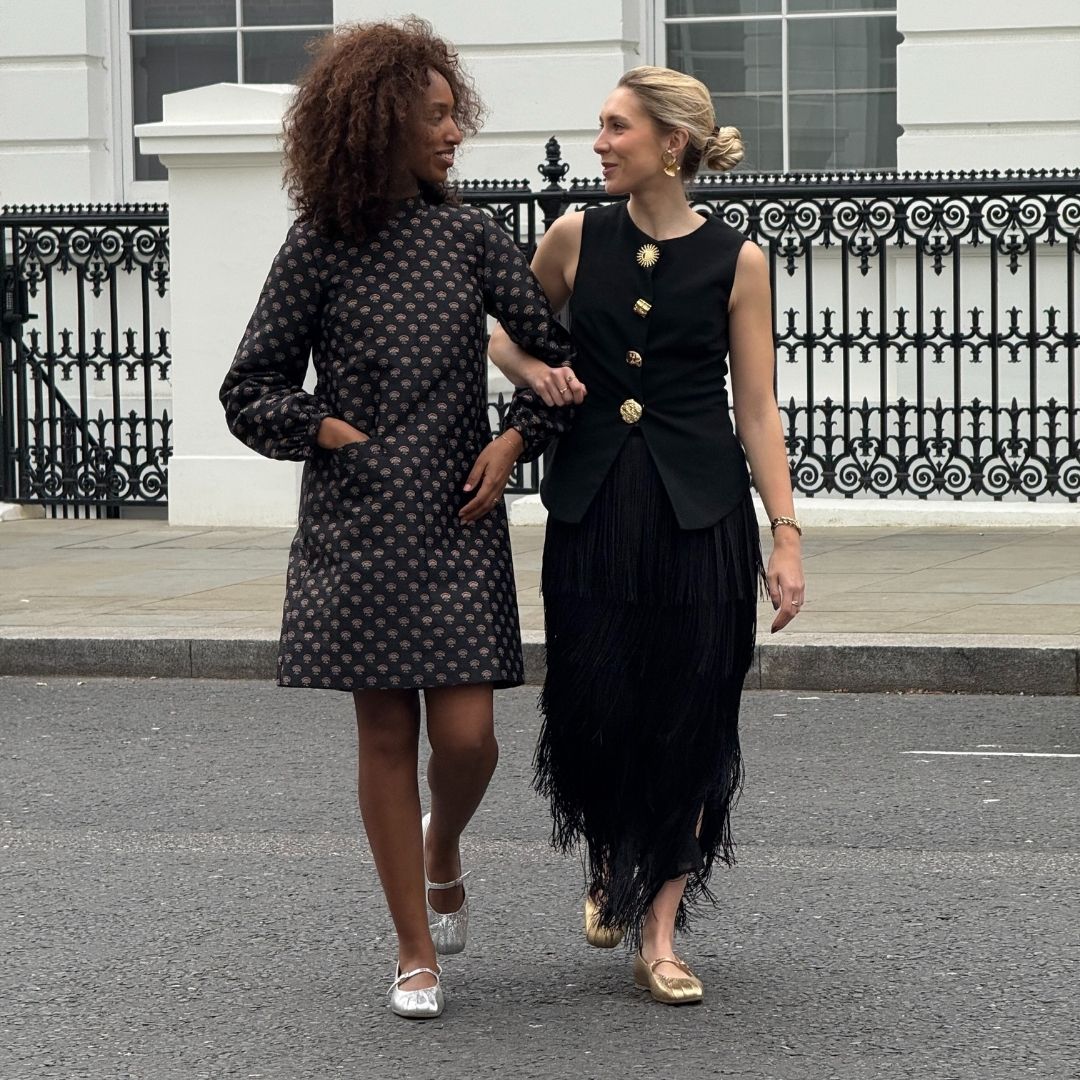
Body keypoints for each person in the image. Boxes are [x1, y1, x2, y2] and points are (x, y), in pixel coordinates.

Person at [219, 19, 572, 1020]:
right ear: (379, 128)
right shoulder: (319, 247)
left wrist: (514, 444)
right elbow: (248, 389)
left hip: (458, 521)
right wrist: (328, 430)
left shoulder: (471, 237)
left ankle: (443, 843)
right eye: (435, 117)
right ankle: (415, 950)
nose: (455, 130)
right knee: (384, 737)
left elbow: (554, 363)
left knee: (469, 743)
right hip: (359, 524)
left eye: (455, 112)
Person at [488, 65, 806, 1005]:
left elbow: (757, 409)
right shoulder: (573, 235)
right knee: (599, 703)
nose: (598, 143)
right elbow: (505, 331)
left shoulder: (737, 261)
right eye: (597, 126)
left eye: (615, 127)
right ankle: (608, 859)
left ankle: (660, 930)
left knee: (693, 716)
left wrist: (785, 536)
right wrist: (535, 373)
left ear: (670, 142)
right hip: (593, 509)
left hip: (701, 517)